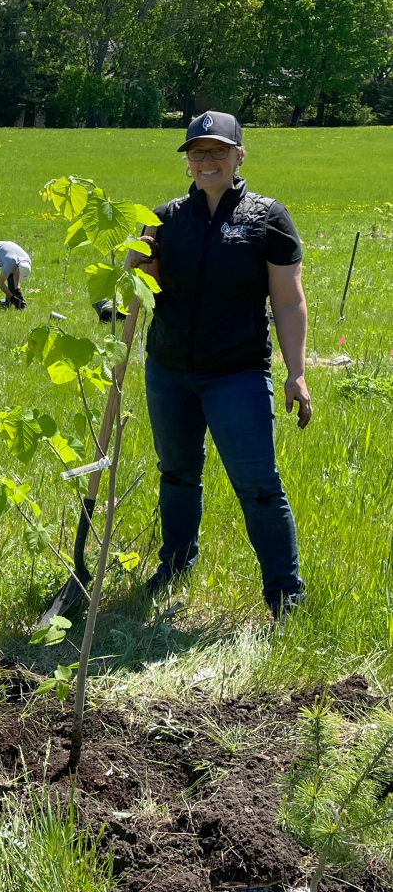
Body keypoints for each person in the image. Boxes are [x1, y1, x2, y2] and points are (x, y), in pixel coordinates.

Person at [129, 110, 311, 617]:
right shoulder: (163, 218)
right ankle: (175, 565)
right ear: (187, 161)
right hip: (168, 371)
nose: (206, 161)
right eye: (197, 152)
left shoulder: (267, 217)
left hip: (237, 374)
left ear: (238, 156)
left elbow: (289, 301)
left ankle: (284, 595)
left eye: (217, 151)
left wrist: (296, 372)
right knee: (177, 474)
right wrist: (132, 268)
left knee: (257, 485)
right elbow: (139, 293)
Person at [0, 240, 31, 309]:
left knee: (13, 286)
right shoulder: (9, 264)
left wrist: (17, 291)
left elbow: (17, 274)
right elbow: (0, 283)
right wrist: (12, 297)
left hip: (9, 254)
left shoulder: (26, 262)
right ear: (17, 268)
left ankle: (7, 305)